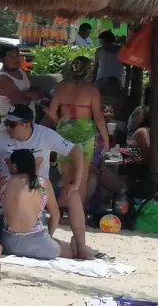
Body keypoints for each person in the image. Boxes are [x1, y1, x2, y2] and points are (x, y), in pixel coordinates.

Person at [0, 104, 91, 260]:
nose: (7, 128)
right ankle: (55, 242)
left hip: (38, 187)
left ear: (26, 124)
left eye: (12, 124)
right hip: (16, 189)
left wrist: (75, 184)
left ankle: (81, 245)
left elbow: (77, 151)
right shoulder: (2, 137)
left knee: (73, 195)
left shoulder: (46, 135)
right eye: (6, 123)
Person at [44, 55, 109, 205]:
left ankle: (62, 211)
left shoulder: (61, 86)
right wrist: (105, 138)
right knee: (82, 178)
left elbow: (51, 111)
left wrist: (61, 125)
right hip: (84, 133)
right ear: (88, 70)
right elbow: (98, 116)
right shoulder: (92, 89)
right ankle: (79, 212)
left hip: (64, 131)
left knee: (66, 177)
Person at [0, 149, 76, 260]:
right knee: (68, 251)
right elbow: (56, 216)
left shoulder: (3, 182)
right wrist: (49, 236)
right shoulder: (43, 183)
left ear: (15, 166)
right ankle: (75, 247)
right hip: (38, 242)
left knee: (57, 243)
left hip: (10, 244)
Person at [0, 45, 41, 118]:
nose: (17, 59)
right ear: (2, 59)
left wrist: (24, 94)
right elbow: (20, 105)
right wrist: (29, 94)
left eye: (18, 55)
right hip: (13, 123)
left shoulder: (22, 72)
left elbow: (37, 93)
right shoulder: (3, 78)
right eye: (12, 56)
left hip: (28, 122)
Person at [93, 30, 125, 97]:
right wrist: (93, 82)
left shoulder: (121, 50)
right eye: (101, 42)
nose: (102, 44)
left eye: (104, 42)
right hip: (100, 81)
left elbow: (128, 67)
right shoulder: (99, 50)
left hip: (115, 82)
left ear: (111, 42)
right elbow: (96, 66)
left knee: (111, 101)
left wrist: (126, 85)